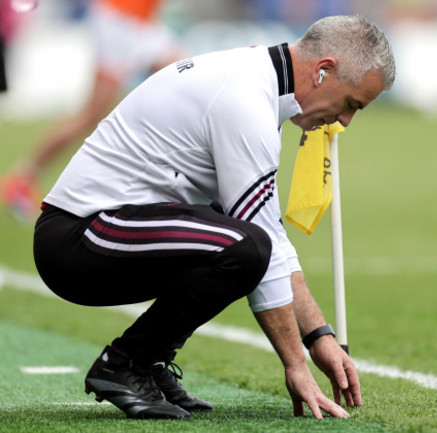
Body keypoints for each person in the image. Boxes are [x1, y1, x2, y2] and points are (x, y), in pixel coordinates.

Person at [33, 14, 396, 420]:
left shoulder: (256, 79)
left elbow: (270, 232)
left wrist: (318, 336)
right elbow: (261, 242)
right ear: (323, 71)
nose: (345, 120)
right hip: (78, 238)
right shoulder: (244, 97)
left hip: (107, 229)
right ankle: (125, 364)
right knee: (245, 247)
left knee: (249, 241)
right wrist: (296, 364)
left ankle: (146, 362)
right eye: (351, 104)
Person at [0, 0, 184, 221]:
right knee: (90, 115)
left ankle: (179, 176)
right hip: (121, 19)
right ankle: (22, 178)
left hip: (139, 22)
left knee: (188, 78)